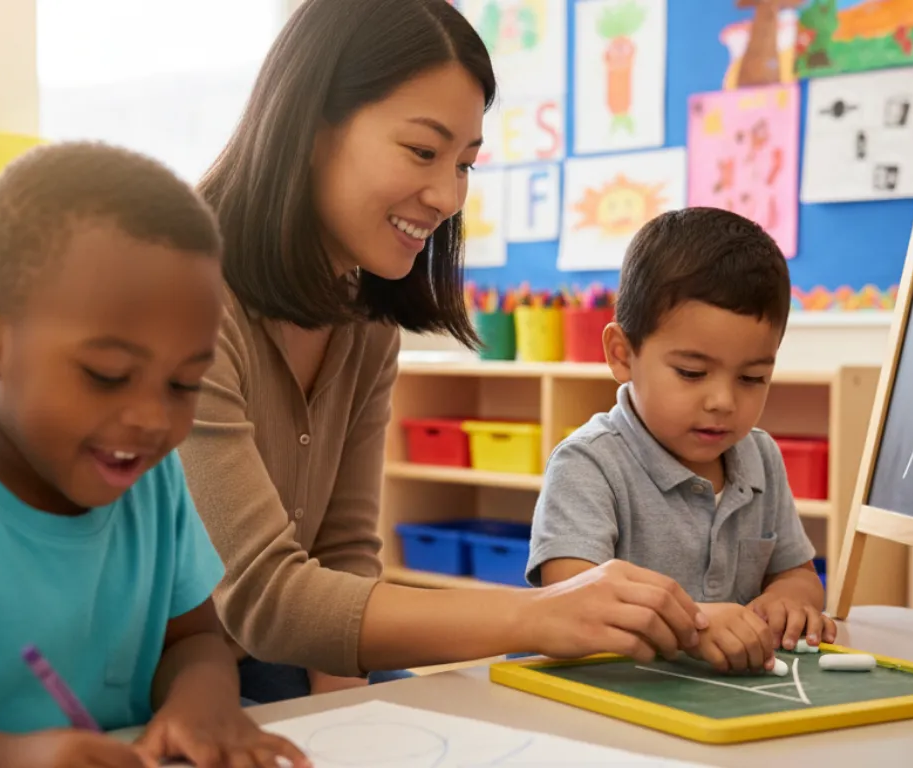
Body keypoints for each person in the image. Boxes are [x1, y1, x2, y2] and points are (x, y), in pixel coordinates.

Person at [178, 0, 710, 705]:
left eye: (465, 164)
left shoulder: (367, 318)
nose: (448, 195)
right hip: (152, 675)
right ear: (310, 126)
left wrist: (350, 714)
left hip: (268, 656)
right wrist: (539, 616)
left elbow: (343, 554)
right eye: (424, 152)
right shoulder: (181, 295)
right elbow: (265, 596)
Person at [0, 142, 308, 768]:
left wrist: (201, 701)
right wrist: (8, 758)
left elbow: (194, 639)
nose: (151, 418)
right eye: (107, 374)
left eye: (183, 383)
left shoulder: (155, 484)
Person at [525, 207, 839, 675]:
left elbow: (796, 572)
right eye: (691, 373)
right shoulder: (589, 463)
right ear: (622, 355)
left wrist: (788, 600)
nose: (722, 402)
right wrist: (694, 626)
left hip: (724, 700)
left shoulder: (761, 456)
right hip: (612, 697)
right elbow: (572, 600)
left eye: (752, 378)